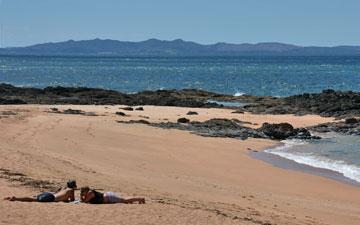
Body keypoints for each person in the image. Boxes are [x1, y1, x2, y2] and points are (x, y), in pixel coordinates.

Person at [3, 180, 77, 203]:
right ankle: (15, 198)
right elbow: (72, 200)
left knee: (32, 197)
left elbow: (62, 196)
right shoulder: (71, 190)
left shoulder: (64, 188)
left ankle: (16, 198)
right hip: (51, 197)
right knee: (31, 199)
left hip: (49, 193)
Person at [80, 186, 145, 204]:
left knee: (125, 200)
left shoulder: (90, 193)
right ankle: (138, 199)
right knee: (124, 200)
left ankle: (140, 199)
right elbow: (85, 200)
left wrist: (81, 196)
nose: (82, 193)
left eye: (83, 191)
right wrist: (82, 196)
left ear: (86, 190)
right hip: (108, 197)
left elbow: (85, 201)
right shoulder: (88, 193)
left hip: (109, 197)